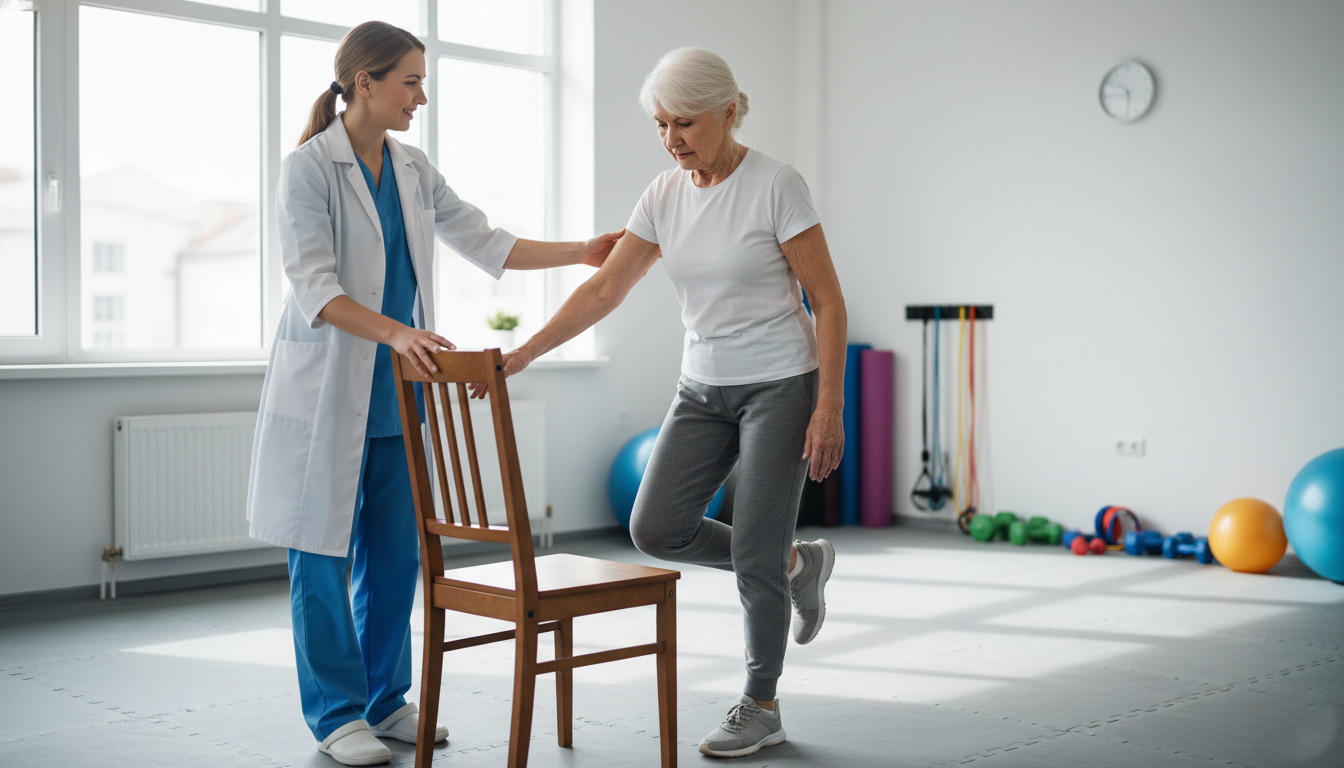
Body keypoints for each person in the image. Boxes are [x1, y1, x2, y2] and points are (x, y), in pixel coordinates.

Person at [244, 21, 620, 767]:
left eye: (423, 80)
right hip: (328, 388)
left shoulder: (413, 169)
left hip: (396, 397)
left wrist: (581, 252)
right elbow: (316, 289)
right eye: (410, 81)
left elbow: (489, 243)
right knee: (320, 555)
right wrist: (395, 334)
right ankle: (335, 714)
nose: (422, 96)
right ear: (364, 83)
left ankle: (385, 701)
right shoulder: (308, 169)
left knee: (395, 556)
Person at [496, 47, 847, 759]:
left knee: (751, 549)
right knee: (655, 528)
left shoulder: (776, 185)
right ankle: (795, 567)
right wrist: (524, 353)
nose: (672, 139)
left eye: (684, 122)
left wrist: (829, 406)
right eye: (660, 125)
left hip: (782, 383)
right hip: (702, 386)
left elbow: (829, 301)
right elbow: (603, 290)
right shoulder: (662, 195)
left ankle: (762, 702)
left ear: (727, 110)